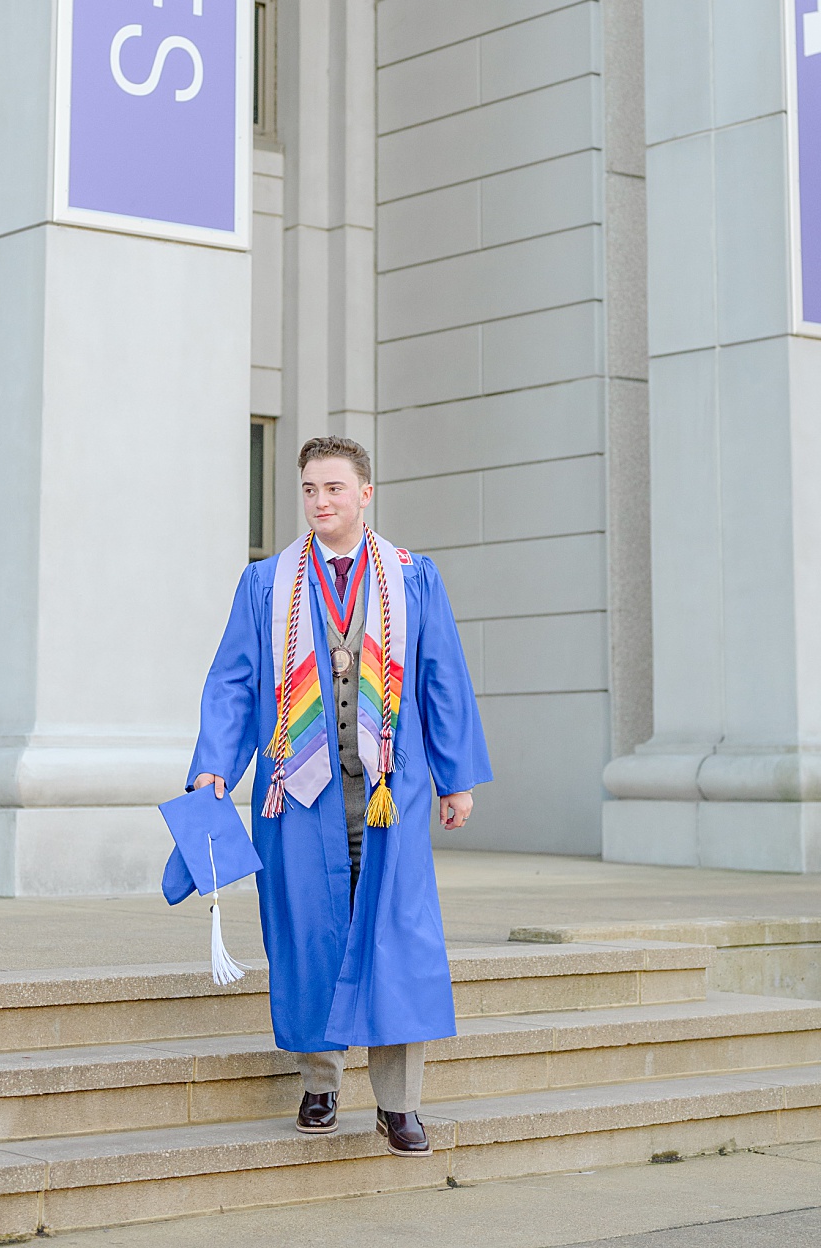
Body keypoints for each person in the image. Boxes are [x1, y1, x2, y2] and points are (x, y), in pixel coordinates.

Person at [188, 436, 491, 1157]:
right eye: (310, 490)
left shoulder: (413, 578)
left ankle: (400, 1104)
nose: (321, 502)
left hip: (393, 794)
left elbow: (441, 676)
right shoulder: (268, 583)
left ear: (365, 494)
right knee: (307, 936)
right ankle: (320, 1084)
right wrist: (213, 768)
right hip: (296, 797)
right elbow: (233, 681)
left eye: (334, 488)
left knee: (398, 938)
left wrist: (457, 777)